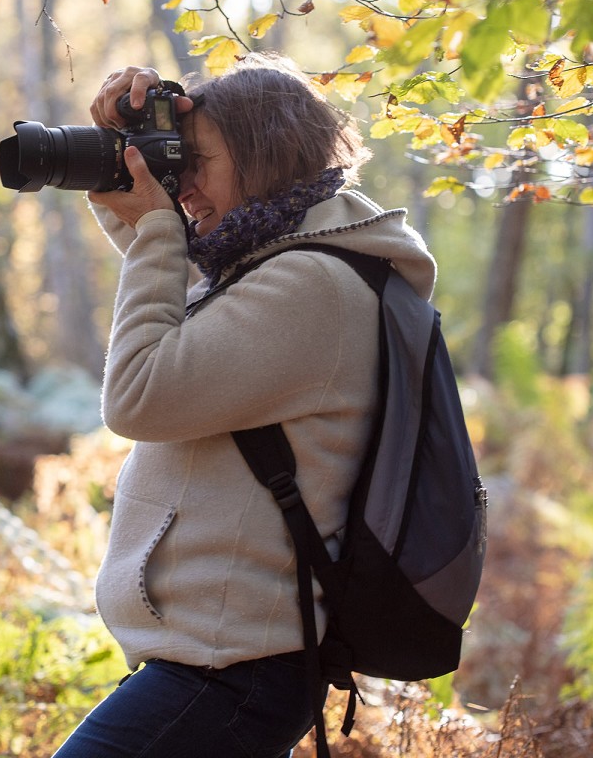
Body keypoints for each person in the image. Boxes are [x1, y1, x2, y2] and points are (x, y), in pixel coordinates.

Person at [50, 53, 438, 758]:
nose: (185, 185)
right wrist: (138, 201)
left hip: (232, 670)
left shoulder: (312, 286)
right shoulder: (285, 265)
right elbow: (181, 314)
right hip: (217, 660)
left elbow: (140, 393)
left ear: (266, 157)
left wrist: (159, 226)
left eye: (196, 162)